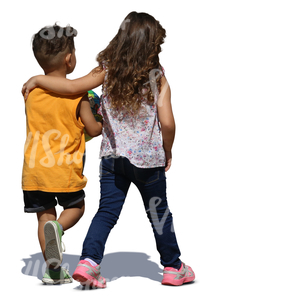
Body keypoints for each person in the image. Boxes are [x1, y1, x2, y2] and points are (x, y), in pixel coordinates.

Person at [22, 12, 195, 288]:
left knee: (106, 212)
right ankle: (173, 267)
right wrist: (168, 150)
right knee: (158, 213)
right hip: (148, 162)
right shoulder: (157, 77)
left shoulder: (108, 68)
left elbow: (72, 86)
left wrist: (38, 80)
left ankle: (89, 263)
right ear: (151, 46)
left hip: (112, 159)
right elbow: (168, 122)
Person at [21, 24, 102, 284]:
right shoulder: (79, 96)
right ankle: (59, 228)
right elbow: (92, 129)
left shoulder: (31, 93)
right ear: (70, 59)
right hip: (64, 169)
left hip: (34, 171)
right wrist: (101, 121)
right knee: (76, 207)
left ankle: (53, 271)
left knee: (44, 217)